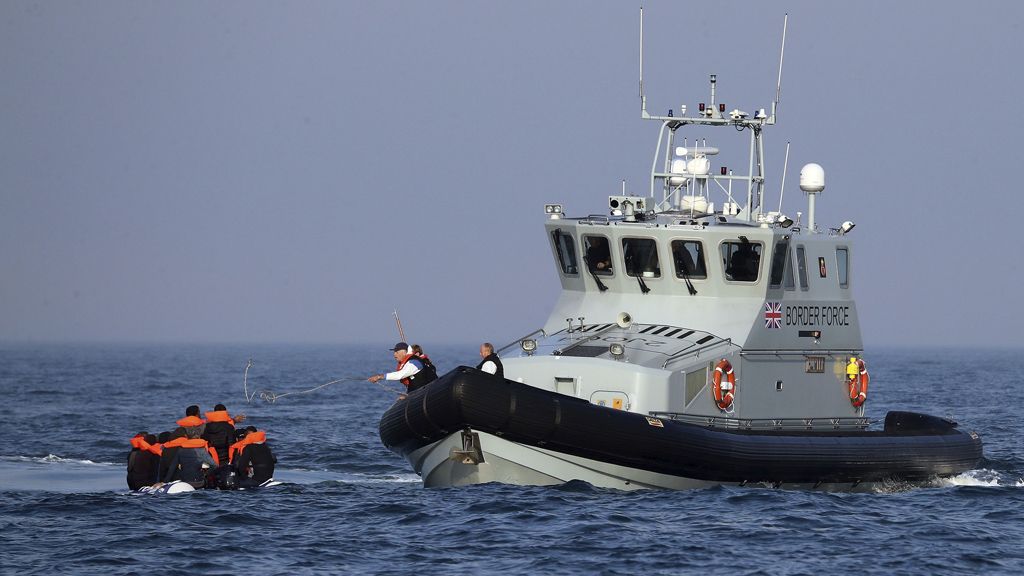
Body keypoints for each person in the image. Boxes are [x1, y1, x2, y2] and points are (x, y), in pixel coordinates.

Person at [368, 342, 437, 394]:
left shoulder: (414, 363)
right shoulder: (408, 362)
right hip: (419, 392)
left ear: (404, 352)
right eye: (395, 352)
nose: (394, 354)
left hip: (429, 390)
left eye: (397, 352)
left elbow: (401, 374)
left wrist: (380, 377)